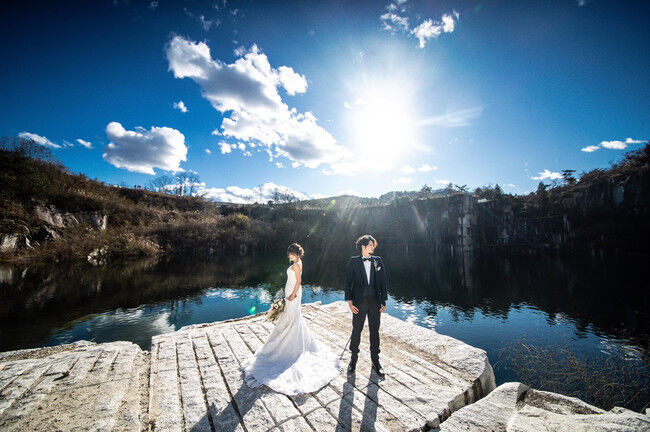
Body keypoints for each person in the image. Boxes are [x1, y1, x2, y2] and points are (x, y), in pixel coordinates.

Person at [241, 242, 343, 395]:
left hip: (293, 295)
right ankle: (288, 339)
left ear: (296, 254)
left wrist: (292, 295)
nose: (289, 256)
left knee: (291, 318)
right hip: (291, 292)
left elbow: (299, 282)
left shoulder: (296, 265)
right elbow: (295, 281)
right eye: (289, 253)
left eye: (291, 253)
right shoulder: (298, 262)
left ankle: (287, 345)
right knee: (291, 318)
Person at [344, 234, 388, 378]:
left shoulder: (377, 260)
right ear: (363, 247)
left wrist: (384, 300)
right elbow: (348, 282)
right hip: (358, 303)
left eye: (373, 245)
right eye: (370, 245)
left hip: (375, 302)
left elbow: (383, 281)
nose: (373, 247)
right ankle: (353, 360)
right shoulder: (353, 261)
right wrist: (350, 302)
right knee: (357, 330)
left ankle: (376, 361)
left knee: (375, 331)